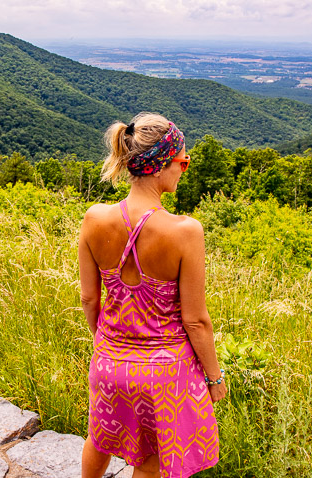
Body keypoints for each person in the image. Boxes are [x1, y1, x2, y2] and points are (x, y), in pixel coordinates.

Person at [78, 112, 227, 478]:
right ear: (161, 165)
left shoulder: (94, 218)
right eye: (183, 161)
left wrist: (110, 343)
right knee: (152, 460)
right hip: (164, 375)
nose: (184, 169)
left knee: (100, 436)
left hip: (109, 363)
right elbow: (196, 320)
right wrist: (214, 378)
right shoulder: (185, 232)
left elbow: (89, 299)